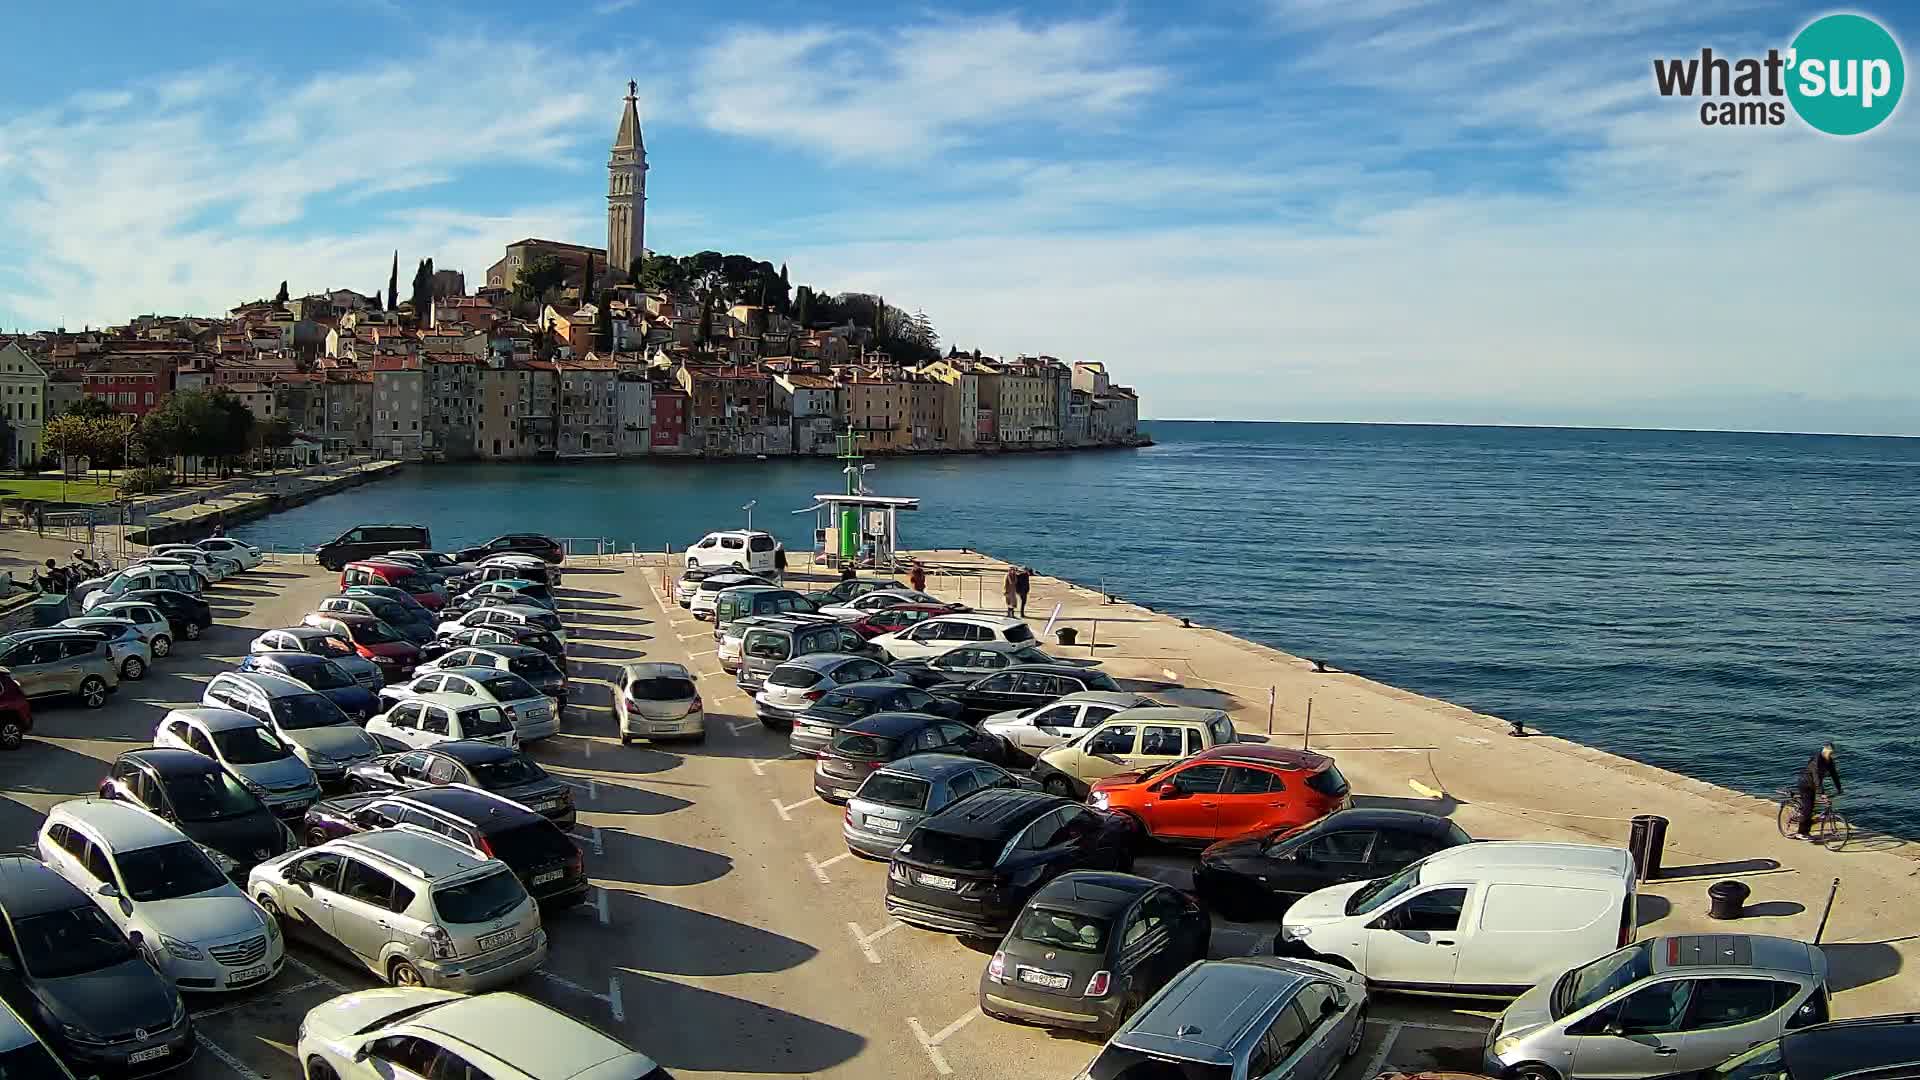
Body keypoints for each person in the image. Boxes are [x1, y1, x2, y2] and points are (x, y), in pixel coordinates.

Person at [1794, 742, 1844, 840]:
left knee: (1812, 808)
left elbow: (1834, 774)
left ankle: (1807, 830)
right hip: (1806, 784)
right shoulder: (1817, 760)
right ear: (1824, 750)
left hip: (1813, 785)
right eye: (1829, 753)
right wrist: (1821, 793)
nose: (1830, 755)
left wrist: (1839, 788)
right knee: (1808, 809)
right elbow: (1816, 777)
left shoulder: (1829, 761)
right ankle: (1799, 833)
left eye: (1831, 753)